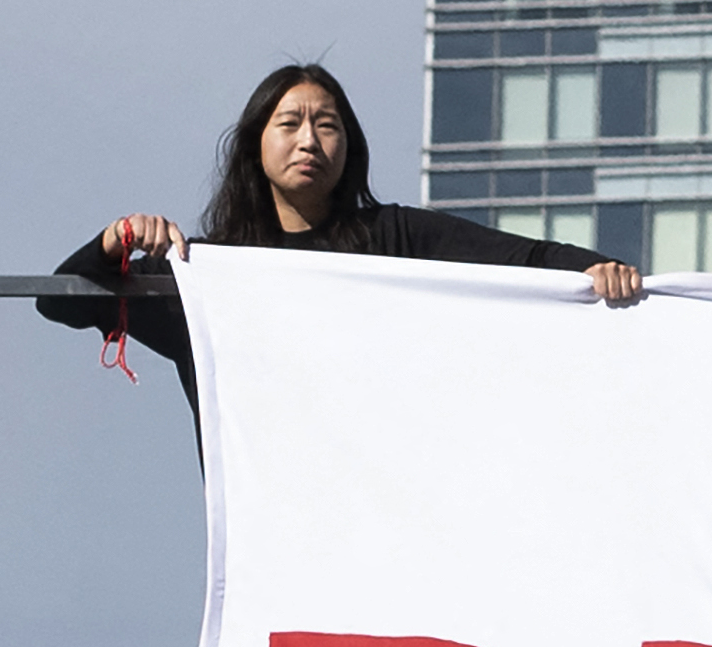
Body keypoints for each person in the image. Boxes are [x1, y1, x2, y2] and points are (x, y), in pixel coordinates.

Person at [44, 61, 642, 413]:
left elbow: (524, 259)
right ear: (257, 143)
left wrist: (598, 268)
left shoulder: (395, 236)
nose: (309, 140)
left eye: (326, 125)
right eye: (290, 124)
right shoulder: (211, 276)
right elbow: (62, 301)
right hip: (272, 544)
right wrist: (116, 239)